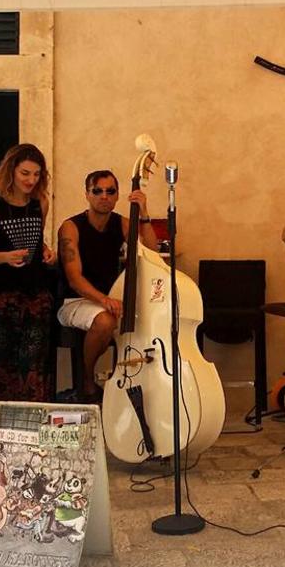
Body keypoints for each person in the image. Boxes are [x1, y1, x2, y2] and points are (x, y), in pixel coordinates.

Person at [57, 170, 159, 402]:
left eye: (110, 191)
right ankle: (86, 380)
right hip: (75, 301)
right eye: (97, 191)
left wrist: (143, 213)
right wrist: (104, 300)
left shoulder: (121, 223)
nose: (104, 196)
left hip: (108, 300)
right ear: (87, 194)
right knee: (105, 321)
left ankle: (133, 384)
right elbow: (74, 278)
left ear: (117, 195)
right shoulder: (71, 227)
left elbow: (152, 253)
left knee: (147, 319)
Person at [0, 143, 56, 402]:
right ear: (11, 172)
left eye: (36, 174)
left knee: (33, 365)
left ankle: (33, 417)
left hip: (35, 293)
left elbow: (34, 239)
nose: (31, 180)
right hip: (0, 295)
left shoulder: (41, 203)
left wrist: (45, 250)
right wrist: (5, 257)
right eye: (25, 173)